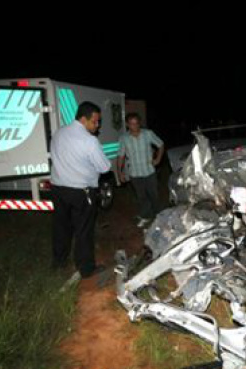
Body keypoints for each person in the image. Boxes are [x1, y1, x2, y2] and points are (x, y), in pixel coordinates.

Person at [50, 101, 111, 278]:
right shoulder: (89, 141)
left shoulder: (58, 133)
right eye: (95, 121)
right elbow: (105, 167)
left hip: (58, 189)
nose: (97, 125)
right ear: (84, 119)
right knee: (83, 230)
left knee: (61, 227)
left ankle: (59, 262)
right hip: (80, 192)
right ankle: (86, 268)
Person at [116, 113, 165, 228]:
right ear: (128, 125)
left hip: (149, 172)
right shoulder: (124, 138)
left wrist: (158, 159)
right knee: (141, 197)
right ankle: (146, 216)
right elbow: (121, 156)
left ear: (139, 123)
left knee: (154, 195)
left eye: (137, 123)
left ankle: (159, 216)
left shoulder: (148, 134)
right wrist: (120, 172)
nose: (135, 126)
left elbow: (161, 144)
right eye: (132, 124)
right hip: (135, 174)